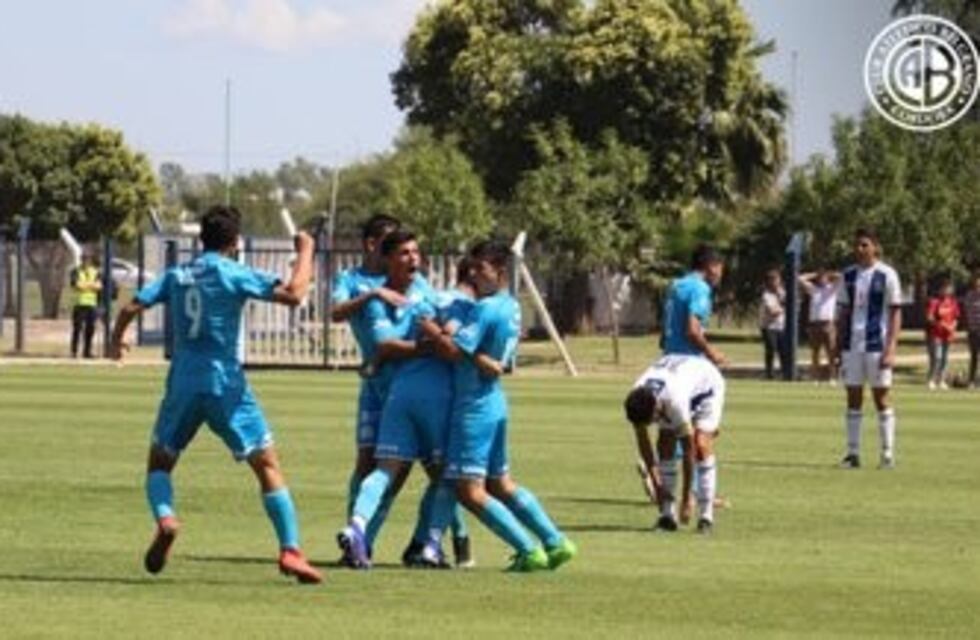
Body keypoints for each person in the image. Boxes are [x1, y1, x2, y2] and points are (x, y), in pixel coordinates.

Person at [108, 205, 322, 583]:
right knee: (267, 465)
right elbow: (294, 293)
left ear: (200, 239)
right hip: (226, 384)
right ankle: (290, 550)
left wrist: (117, 339)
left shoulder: (177, 274)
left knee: (160, 464)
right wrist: (306, 250)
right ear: (235, 242)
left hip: (183, 382)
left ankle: (166, 518)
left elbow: (131, 305)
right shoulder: (232, 272)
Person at [417, 240, 577, 572]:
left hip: (473, 406)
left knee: (469, 490)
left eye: (481, 268)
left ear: (500, 272)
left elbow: (453, 351)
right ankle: (555, 541)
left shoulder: (486, 308)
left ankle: (526, 549)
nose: (474, 274)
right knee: (500, 484)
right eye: (472, 267)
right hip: (493, 402)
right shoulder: (511, 306)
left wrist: (429, 327)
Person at [336, 231, 475, 569]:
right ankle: (422, 544)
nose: (413, 258)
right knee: (425, 471)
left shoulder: (426, 291)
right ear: (386, 258)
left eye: (416, 252)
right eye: (403, 253)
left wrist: (386, 357)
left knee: (415, 471)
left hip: (406, 392)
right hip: (392, 394)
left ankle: (426, 540)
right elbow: (385, 344)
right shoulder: (375, 297)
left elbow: (389, 349)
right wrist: (438, 347)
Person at [329, 213, 410, 558]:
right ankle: (356, 535)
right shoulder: (352, 279)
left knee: (421, 467)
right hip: (376, 386)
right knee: (366, 463)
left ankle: (447, 540)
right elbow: (335, 312)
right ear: (372, 244)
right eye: (390, 242)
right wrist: (373, 294)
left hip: (409, 385)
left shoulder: (407, 280)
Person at [623, 354, 726, 534]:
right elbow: (644, 443)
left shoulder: (674, 400)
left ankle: (706, 517)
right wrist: (656, 484)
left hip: (706, 386)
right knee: (664, 444)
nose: (649, 425)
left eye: (650, 421)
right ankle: (667, 516)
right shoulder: (636, 399)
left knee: (701, 445)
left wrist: (686, 498)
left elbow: (688, 450)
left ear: (656, 408)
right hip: (677, 381)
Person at [834, 228, 902, 469]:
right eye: (857, 245)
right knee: (853, 397)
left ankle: (887, 453)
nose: (859, 249)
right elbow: (842, 312)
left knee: (881, 397)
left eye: (864, 245)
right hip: (852, 345)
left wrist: (891, 348)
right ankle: (853, 454)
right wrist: (837, 346)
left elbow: (895, 312)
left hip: (877, 344)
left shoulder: (887, 275)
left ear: (875, 247)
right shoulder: (848, 275)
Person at [661, 244, 726, 366]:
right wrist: (711, 353)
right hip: (687, 359)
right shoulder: (699, 288)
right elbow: (692, 331)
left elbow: (665, 330)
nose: (720, 275)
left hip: (668, 357)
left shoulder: (676, 285)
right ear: (712, 267)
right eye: (721, 269)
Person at [799, 269, 840, 384]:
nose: (822, 280)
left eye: (824, 278)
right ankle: (815, 377)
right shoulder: (813, 289)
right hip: (815, 325)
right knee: (815, 353)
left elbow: (841, 277)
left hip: (828, 324)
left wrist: (830, 274)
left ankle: (832, 377)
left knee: (831, 352)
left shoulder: (832, 289)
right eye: (820, 278)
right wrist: (815, 274)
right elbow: (800, 279)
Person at [925, 278, 960, 390]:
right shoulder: (934, 302)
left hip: (948, 335)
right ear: (940, 289)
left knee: (945, 358)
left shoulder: (953, 302)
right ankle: (931, 380)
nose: (947, 290)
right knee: (937, 357)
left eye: (949, 288)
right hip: (936, 334)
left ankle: (941, 380)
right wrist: (942, 325)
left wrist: (953, 327)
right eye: (944, 288)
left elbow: (956, 317)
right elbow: (929, 318)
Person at [70, 252, 101, 358]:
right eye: (83, 259)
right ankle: (74, 351)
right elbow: (76, 285)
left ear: (90, 261)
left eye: (87, 260)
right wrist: (91, 285)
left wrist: (85, 285)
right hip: (79, 303)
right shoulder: (75, 271)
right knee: (77, 328)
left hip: (91, 304)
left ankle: (87, 352)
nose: (85, 262)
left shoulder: (95, 272)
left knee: (90, 329)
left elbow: (99, 286)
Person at [758, 269, 786, 380]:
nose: (775, 282)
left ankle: (785, 373)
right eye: (773, 280)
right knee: (771, 349)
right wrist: (785, 306)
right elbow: (773, 312)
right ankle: (769, 374)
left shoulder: (783, 292)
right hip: (768, 327)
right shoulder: (766, 295)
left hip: (781, 326)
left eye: (777, 280)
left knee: (783, 350)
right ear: (768, 282)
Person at [964, 274, 980, 388]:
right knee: (974, 357)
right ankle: (971, 380)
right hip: (973, 331)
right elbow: (966, 312)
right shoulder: (969, 296)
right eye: (977, 285)